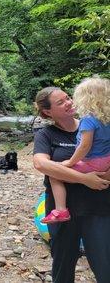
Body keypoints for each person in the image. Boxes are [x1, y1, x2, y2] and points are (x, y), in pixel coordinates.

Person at [33, 86, 110, 282]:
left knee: (105, 266)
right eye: (61, 102)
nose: (69, 102)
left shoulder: (95, 121)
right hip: (62, 213)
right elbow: (41, 164)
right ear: (47, 112)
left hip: (98, 208)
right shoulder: (46, 134)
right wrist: (85, 179)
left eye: (68, 98)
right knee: (63, 267)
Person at [42, 77, 110, 224]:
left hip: (94, 162)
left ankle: (61, 210)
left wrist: (70, 162)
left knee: (55, 174)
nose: (72, 102)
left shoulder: (88, 120)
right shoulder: (106, 119)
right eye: (61, 102)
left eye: (71, 98)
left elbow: (85, 146)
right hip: (106, 160)